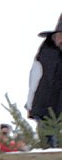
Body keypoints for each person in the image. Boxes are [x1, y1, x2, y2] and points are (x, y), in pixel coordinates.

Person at [27, 13, 62, 147]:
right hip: (44, 108)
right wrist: (30, 104)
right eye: (59, 35)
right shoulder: (45, 55)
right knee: (48, 145)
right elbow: (34, 80)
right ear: (54, 37)